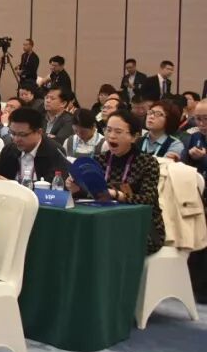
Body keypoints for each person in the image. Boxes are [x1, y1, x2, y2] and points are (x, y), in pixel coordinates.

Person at [67, 109, 164, 254]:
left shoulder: (147, 163)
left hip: (141, 226)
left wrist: (116, 194)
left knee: (106, 243)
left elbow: (147, 200)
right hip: (103, 220)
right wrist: (77, 189)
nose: (111, 136)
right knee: (74, 237)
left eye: (118, 132)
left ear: (134, 137)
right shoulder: (99, 160)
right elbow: (91, 195)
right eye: (108, 130)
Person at [0, 107, 70, 184]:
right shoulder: (11, 148)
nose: (16, 139)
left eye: (22, 135)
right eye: (13, 133)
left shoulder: (55, 151)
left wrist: (12, 184)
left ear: (39, 132)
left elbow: (53, 185)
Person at [179, 99, 207, 187]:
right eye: (198, 119)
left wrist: (203, 158)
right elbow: (184, 164)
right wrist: (178, 159)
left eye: (206, 119)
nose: (202, 123)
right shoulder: (194, 136)